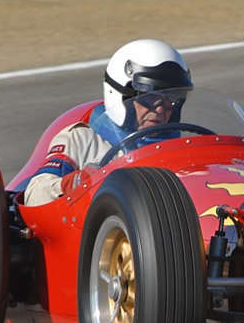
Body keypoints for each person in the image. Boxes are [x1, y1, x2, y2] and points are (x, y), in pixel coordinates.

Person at [23, 39, 192, 206]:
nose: (161, 109)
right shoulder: (82, 139)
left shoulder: (184, 148)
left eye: (171, 100)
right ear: (121, 94)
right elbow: (34, 194)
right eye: (149, 98)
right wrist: (77, 183)